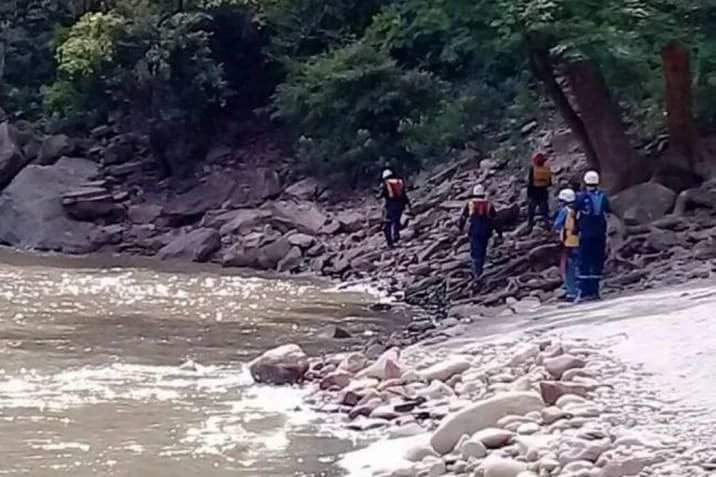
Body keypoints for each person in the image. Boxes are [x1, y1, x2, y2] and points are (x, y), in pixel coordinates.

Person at [575, 170, 610, 302]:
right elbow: (607, 211)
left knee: (584, 262)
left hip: (585, 234)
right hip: (600, 234)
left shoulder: (580, 198)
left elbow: (573, 213)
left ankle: (584, 292)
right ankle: (595, 291)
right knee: (597, 262)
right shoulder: (603, 197)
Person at [458, 185, 502, 280]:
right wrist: (499, 233)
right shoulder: (489, 205)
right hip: (486, 232)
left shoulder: (470, 204)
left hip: (474, 231)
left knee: (475, 252)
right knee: (482, 250)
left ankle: (477, 273)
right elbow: (495, 220)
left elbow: (463, 218)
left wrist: (460, 228)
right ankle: (480, 270)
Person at [553, 188, 580, 300]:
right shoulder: (578, 210)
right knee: (577, 264)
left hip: (568, 241)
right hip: (578, 240)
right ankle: (579, 288)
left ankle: (571, 292)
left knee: (568, 267)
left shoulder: (565, 211)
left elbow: (557, 224)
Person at [379, 169, 411, 248]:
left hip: (390, 206)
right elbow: (404, 194)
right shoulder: (399, 182)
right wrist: (408, 204)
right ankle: (396, 237)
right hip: (400, 205)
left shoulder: (385, 184)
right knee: (396, 221)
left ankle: (390, 243)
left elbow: (381, 195)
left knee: (387, 224)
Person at [526, 152, 553, 231]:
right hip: (543, 193)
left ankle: (529, 226)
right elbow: (549, 183)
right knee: (545, 212)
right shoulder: (547, 169)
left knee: (531, 212)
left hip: (533, 194)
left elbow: (530, 182)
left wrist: (528, 195)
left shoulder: (532, 169)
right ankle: (548, 226)